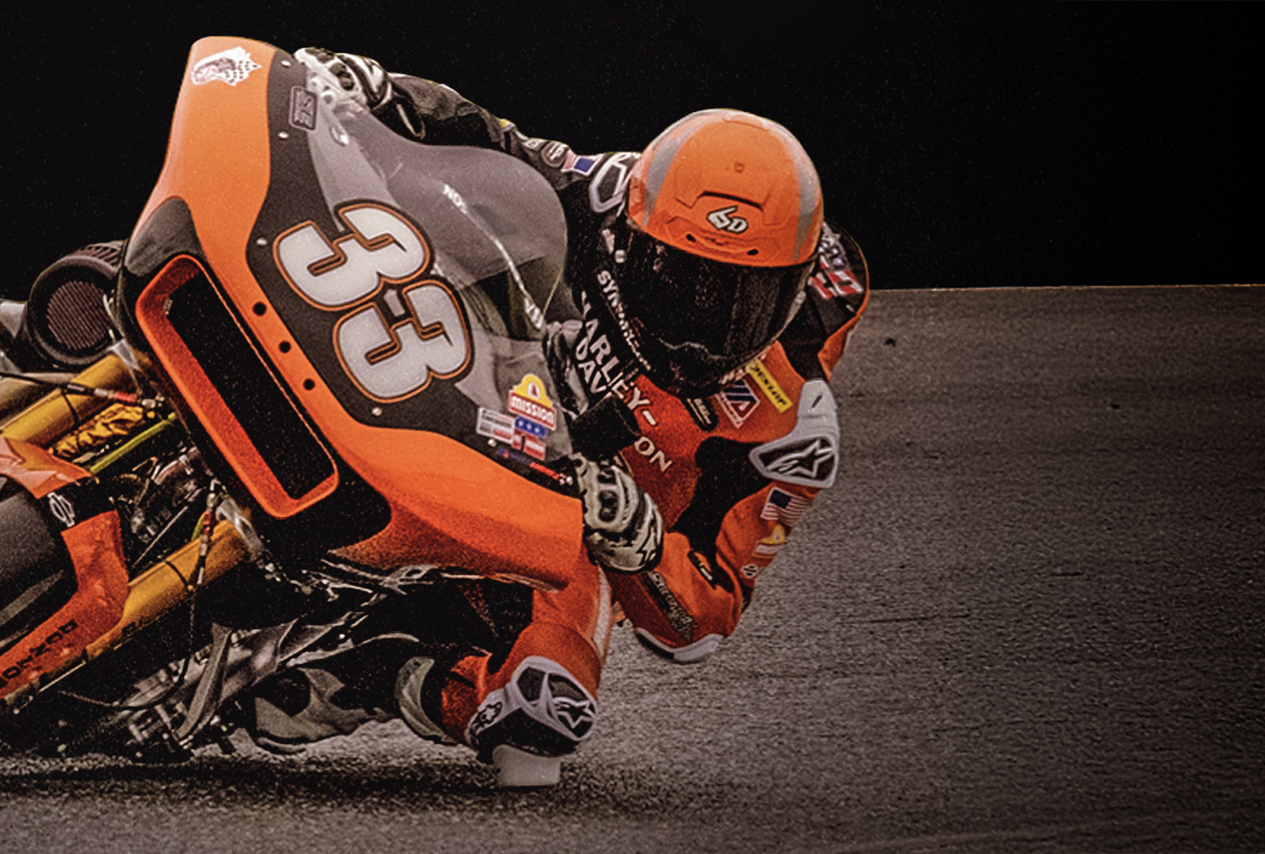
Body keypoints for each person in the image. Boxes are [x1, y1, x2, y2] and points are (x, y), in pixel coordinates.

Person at [244, 48, 871, 786]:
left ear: (794, 289)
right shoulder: (605, 195)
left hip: (560, 523)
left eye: (744, 302)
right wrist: (376, 90)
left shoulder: (793, 430)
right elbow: (487, 140)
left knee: (543, 713)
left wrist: (637, 538)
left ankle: (389, 678)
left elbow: (700, 625)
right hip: (459, 374)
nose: (702, 332)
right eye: (680, 280)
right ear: (635, 235)